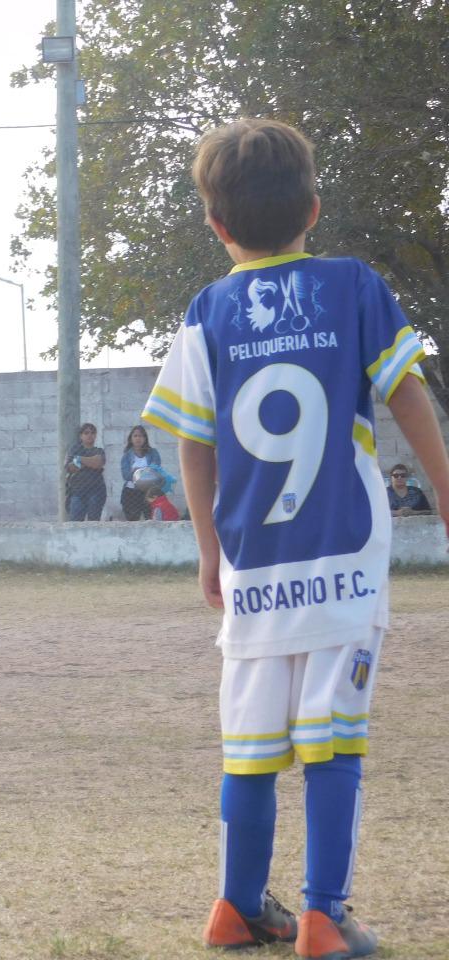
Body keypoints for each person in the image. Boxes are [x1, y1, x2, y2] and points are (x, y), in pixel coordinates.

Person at [142, 118, 449, 958]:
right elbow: (408, 393)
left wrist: (209, 550)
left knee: (249, 744)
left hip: (253, 569)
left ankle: (236, 907)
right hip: (344, 563)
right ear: (314, 208)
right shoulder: (352, 285)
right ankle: (324, 914)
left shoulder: (206, 312)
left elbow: (192, 442)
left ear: (218, 225)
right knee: (332, 738)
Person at [65, 423, 106, 520]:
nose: (89, 435)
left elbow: (98, 462)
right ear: (81, 436)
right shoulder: (74, 449)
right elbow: (71, 468)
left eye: (92, 433)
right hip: (77, 492)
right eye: (86, 433)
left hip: (96, 491)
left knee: (93, 522)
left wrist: (79, 459)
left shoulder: (99, 451)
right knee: (75, 524)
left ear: (96, 435)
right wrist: (90, 461)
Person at [119, 426, 161, 521]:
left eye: (141, 436)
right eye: (135, 436)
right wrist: (145, 471)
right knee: (132, 522)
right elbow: (126, 475)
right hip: (131, 492)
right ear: (131, 439)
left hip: (148, 491)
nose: (138, 438)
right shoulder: (126, 455)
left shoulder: (153, 453)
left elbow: (156, 471)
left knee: (151, 520)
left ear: (145, 438)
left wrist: (137, 472)